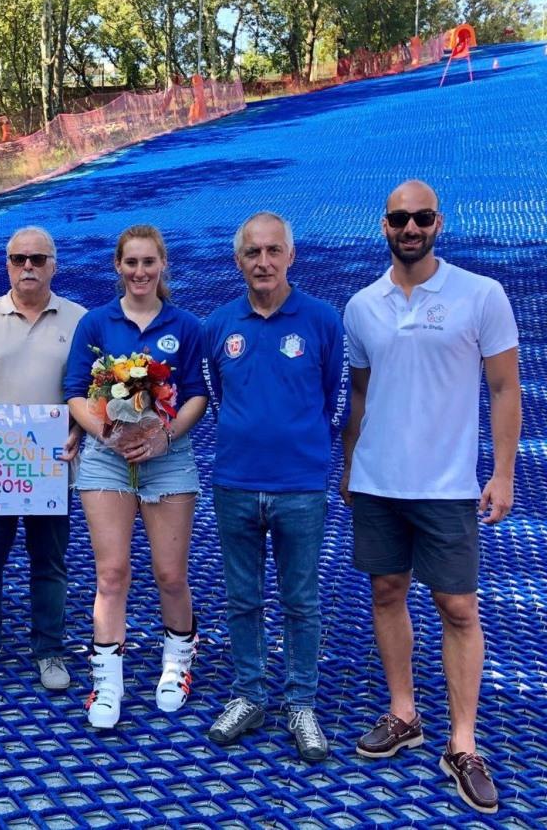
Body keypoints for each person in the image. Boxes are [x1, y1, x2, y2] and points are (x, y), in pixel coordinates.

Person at [341, 180, 521, 814]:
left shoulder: (481, 295)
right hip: (379, 482)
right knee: (387, 593)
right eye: (399, 219)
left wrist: (503, 473)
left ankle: (463, 743)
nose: (410, 228)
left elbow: (505, 388)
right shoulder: (362, 306)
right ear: (384, 226)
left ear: (438, 223)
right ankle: (404, 713)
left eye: (421, 218)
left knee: (459, 607)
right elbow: (360, 394)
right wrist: (350, 464)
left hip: (447, 485)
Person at [202, 211, 348, 761]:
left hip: (300, 487)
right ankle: (249, 694)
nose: (263, 262)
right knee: (242, 599)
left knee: (300, 602)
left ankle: (301, 703)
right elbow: (219, 397)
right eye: (252, 252)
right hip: (235, 482)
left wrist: (305, 450)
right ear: (238, 260)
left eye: (272, 250)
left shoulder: (322, 320)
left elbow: (332, 395)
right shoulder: (219, 325)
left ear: (291, 255)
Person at [63, 224, 207, 729]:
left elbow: (197, 394)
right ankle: (107, 681)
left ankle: (177, 665)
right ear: (118, 266)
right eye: (131, 262)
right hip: (108, 458)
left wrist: (166, 436)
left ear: (162, 264)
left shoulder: (185, 325)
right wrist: (104, 434)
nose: (140, 272)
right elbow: (74, 391)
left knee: (170, 574)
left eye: (149, 262)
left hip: (167, 458)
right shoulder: (95, 323)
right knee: (112, 573)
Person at [0, 226, 86, 691]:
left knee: (50, 562)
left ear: (54, 265)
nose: (28, 266)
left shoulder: (80, 320)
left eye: (38, 259)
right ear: (7, 265)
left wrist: (78, 432)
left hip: (51, 466)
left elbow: (94, 390)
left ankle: (49, 650)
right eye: (19, 258)